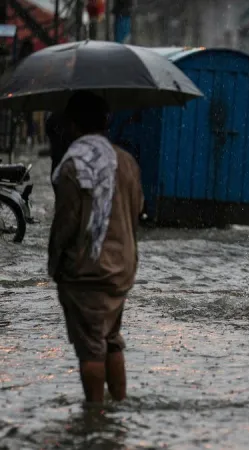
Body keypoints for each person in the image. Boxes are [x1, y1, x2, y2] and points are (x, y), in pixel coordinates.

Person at [48, 91, 144, 405]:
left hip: (87, 269)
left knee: (90, 347)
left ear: (73, 125)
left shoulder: (74, 165)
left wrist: (55, 265)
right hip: (122, 267)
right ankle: (117, 407)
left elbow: (66, 223)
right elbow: (137, 209)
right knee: (111, 339)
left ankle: (94, 416)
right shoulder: (125, 161)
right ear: (106, 122)